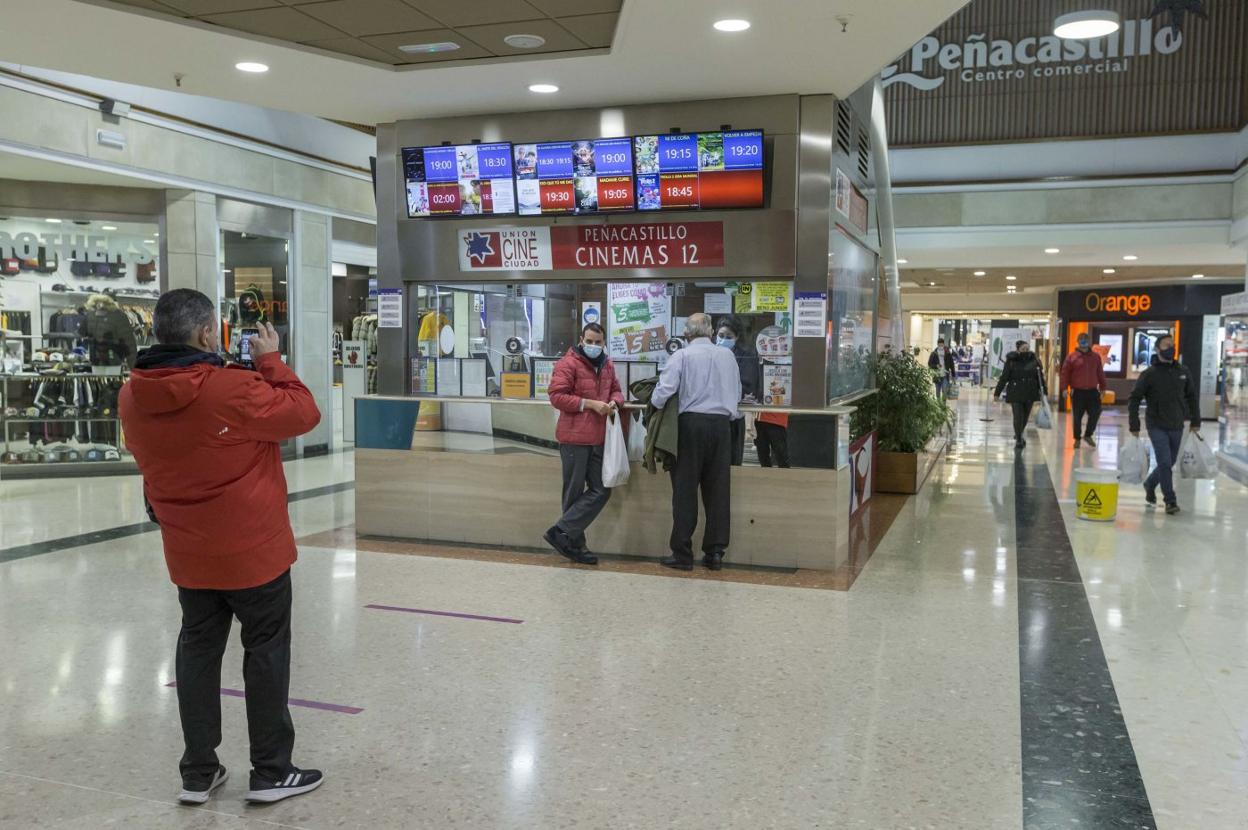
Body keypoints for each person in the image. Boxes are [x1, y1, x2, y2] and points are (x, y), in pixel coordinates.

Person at [118, 289, 323, 806]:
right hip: (254, 552)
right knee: (266, 653)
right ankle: (272, 771)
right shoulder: (233, 388)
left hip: (189, 553)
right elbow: (304, 413)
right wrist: (270, 360)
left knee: (197, 654)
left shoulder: (131, 396)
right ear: (208, 333)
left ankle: (198, 771)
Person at [653, 313, 743, 571]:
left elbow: (664, 392)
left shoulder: (681, 356)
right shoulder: (728, 356)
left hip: (690, 427)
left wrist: (654, 404)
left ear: (687, 334)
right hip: (722, 427)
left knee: (685, 491)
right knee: (718, 491)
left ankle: (682, 553)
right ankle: (715, 553)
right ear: (711, 332)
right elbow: (736, 393)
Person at [544, 322, 625, 565]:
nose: (593, 346)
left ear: (604, 343)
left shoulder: (607, 364)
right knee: (573, 493)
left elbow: (617, 391)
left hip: (599, 439)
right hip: (574, 440)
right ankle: (575, 546)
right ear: (581, 340)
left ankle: (560, 532)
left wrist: (615, 403)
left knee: (601, 490)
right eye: (588, 341)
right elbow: (556, 396)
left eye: (597, 342)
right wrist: (589, 404)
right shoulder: (567, 363)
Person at [1128, 334, 1200, 515]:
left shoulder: (1183, 371)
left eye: (1172, 345)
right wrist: (1134, 424)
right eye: (1167, 345)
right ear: (1157, 349)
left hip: (1177, 424)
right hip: (1156, 424)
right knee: (1165, 462)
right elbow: (1135, 398)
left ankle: (1150, 483)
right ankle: (1170, 500)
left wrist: (1195, 420)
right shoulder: (1149, 374)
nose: (1171, 348)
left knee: (1170, 461)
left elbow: (1192, 396)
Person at [715, 316, 760, 465]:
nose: (723, 340)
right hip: (713, 417)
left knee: (732, 463)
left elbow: (748, 386)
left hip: (734, 417)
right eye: (721, 336)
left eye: (728, 337)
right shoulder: (711, 353)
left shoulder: (745, 355)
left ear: (737, 337)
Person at [993, 340, 1046, 450]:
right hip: (1015, 392)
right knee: (1017, 416)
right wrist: (997, 393)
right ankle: (1018, 440)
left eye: (1027, 349)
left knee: (1025, 417)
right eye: (1023, 349)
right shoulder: (1011, 361)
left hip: (1030, 391)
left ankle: (1019, 434)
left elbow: (1040, 377)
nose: (1025, 351)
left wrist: (1044, 392)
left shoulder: (1034, 360)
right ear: (1018, 350)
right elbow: (1004, 377)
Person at [1060, 333, 1107, 449]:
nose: (1083, 341)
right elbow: (1065, 374)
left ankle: (1088, 434)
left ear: (1089, 341)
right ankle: (1077, 438)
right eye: (1081, 339)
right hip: (1077, 392)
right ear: (1077, 341)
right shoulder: (1071, 357)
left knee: (1096, 413)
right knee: (1077, 417)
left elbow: (1100, 373)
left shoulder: (1095, 357)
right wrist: (1064, 388)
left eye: (1086, 339)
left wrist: (1103, 387)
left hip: (1092, 392)